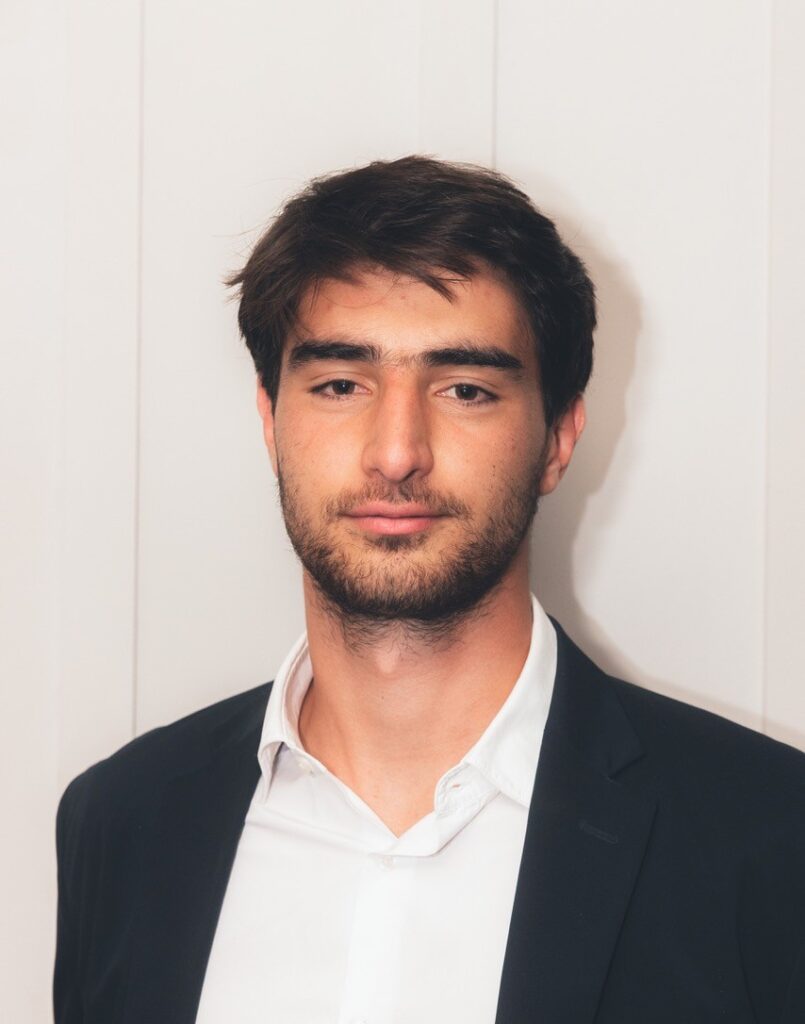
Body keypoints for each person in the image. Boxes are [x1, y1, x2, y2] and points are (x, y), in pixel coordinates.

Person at [53, 156, 805, 1024]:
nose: (396, 452)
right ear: (270, 421)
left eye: (465, 389)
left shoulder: (769, 837)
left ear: (558, 438)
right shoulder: (122, 820)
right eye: (340, 385)